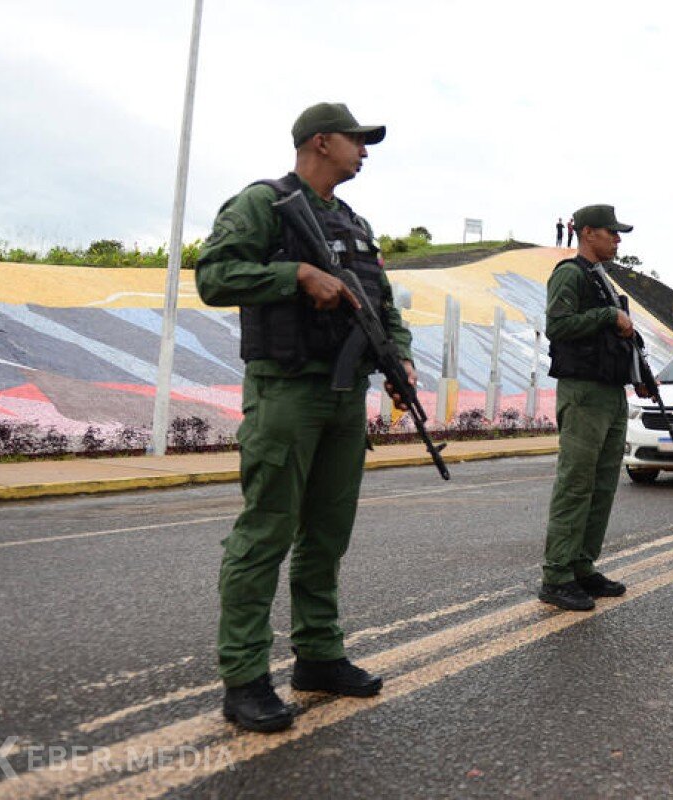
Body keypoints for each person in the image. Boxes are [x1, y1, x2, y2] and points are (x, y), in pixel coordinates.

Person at [194, 102, 416, 733]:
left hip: (344, 395)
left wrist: (398, 358)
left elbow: (381, 298)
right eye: (357, 140)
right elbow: (212, 276)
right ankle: (244, 677)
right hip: (286, 392)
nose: (365, 151)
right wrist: (294, 274)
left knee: (327, 533)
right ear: (321, 142)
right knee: (266, 532)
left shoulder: (352, 220)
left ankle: (318, 655)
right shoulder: (262, 204)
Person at [539, 204, 644, 611]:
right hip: (583, 392)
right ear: (587, 233)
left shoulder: (601, 279)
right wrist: (606, 315)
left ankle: (582, 565)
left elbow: (615, 338)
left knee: (601, 484)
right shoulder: (571, 273)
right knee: (576, 483)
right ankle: (557, 574)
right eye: (611, 232)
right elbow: (558, 325)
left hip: (610, 391)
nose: (618, 239)